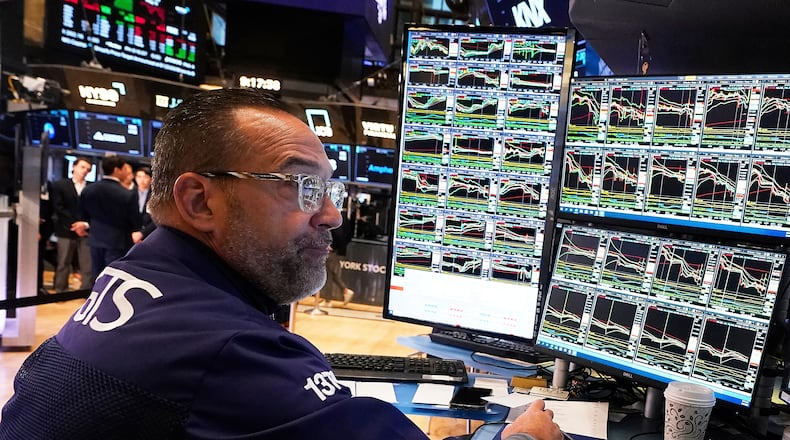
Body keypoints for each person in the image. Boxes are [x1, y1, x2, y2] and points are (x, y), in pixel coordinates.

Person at [0, 88, 564, 440]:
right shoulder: (223, 349)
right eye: (301, 186)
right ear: (200, 201)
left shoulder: (138, 280)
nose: (333, 215)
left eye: (328, 187)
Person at [79, 155, 143, 281]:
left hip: (95, 239)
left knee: (96, 275)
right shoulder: (127, 195)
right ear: (116, 170)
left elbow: (83, 216)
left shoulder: (88, 190)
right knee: (112, 278)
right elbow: (135, 222)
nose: (126, 172)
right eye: (124, 168)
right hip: (118, 242)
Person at [49, 156, 93, 292]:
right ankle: (60, 290)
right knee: (63, 262)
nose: (85, 171)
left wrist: (84, 224)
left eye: (88, 169)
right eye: (82, 167)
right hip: (65, 229)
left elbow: (94, 210)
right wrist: (75, 225)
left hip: (86, 231)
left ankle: (85, 291)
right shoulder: (60, 185)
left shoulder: (92, 188)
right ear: (73, 167)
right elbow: (58, 207)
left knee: (87, 264)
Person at [134, 165, 156, 237]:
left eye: (145, 177)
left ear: (151, 179)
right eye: (139, 177)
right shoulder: (129, 193)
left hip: (147, 233)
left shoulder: (154, 197)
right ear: (135, 178)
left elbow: (156, 219)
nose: (142, 180)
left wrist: (142, 233)